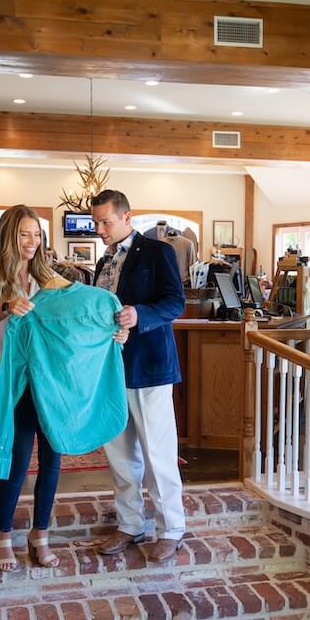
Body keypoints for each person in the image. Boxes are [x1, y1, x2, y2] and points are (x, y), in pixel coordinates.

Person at [0, 205, 128, 571]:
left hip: (53, 380)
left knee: (52, 456)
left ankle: (39, 533)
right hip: (16, 381)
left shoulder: (50, 277)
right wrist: (8, 306)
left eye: (37, 235)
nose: (32, 242)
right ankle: (4, 535)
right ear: (9, 236)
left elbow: (81, 313)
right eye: (25, 234)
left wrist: (115, 328)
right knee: (17, 459)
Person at [90, 189, 187, 561]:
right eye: (96, 222)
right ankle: (130, 525)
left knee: (158, 454)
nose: (100, 229)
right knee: (119, 454)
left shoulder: (158, 252)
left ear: (127, 218)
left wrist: (139, 316)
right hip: (110, 370)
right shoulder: (103, 263)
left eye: (106, 222)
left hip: (150, 367)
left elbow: (174, 302)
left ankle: (172, 528)